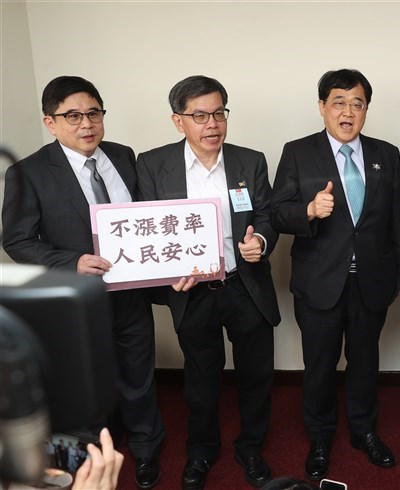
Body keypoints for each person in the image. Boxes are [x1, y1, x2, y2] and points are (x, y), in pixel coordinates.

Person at [1, 76, 165, 489]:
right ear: (50, 122)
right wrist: (70, 262)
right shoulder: (28, 172)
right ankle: (99, 456)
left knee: (138, 374)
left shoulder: (125, 157)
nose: (86, 124)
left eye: (93, 113)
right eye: (72, 116)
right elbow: (17, 239)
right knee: (91, 383)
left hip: (130, 293)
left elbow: (150, 221)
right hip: (78, 304)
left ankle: (146, 450)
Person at [136, 75, 281, 489]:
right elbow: (149, 228)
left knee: (257, 375)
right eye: (200, 115)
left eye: (219, 113)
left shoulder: (249, 161)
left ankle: (251, 449)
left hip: (244, 284)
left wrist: (262, 242)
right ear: (178, 121)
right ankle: (201, 452)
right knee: (201, 380)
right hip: (192, 291)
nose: (212, 124)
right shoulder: (152, 163)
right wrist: (168, 272)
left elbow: (266, 214)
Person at [270, 69, 400, 481]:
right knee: (319, 365)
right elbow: (278, 213)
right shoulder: (297, 152)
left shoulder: (387, 152)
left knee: (366, 363)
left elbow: (395, 221)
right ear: (322, 107)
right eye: (339, 102)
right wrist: (308, 211)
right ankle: (319, 437)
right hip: (320, 282)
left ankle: (364, 432)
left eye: (357, 103)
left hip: (372, 279)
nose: (348, 111)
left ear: (366, 109)